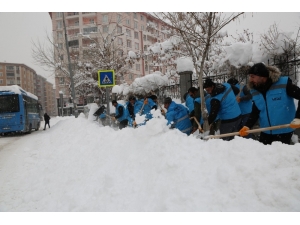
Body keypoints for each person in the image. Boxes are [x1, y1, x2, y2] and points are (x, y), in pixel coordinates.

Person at [239, 62, 300, 145]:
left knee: (280, 156)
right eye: (250, 76)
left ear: (262, 77)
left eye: (253, 76)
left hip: (283, 131)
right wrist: (247, 126)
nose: (250, 80)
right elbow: (256, 110)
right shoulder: (254, 90)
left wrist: (298, 117)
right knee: (264, 156)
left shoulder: (283, 84)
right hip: (266, 131)